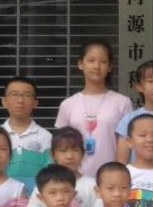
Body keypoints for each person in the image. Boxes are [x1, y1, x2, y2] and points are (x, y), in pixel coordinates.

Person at [56, 39, 133, 179]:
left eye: (103, 62)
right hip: (75, 180)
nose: (97, 66)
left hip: (110, 180)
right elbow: (59, 145)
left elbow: (126, 143)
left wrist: (118, 175)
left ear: (109, 67)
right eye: (91, 60)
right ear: (80, 64)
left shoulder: (122, 102)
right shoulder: (68, 104)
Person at [26, 127, 98, 207]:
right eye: (63, 151)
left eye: (76, 150)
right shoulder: (43, 184)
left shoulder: (93, 185)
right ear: (52, 154)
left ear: (83, 153)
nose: (70, 156)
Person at [1, 75, 51, 194]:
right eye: (14, 94)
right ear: (4, 101)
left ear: (35, 103)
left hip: (36, 198)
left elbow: (50, 173)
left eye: (27, 95)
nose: (20, 100)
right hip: (3, 198)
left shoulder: (46, 137)